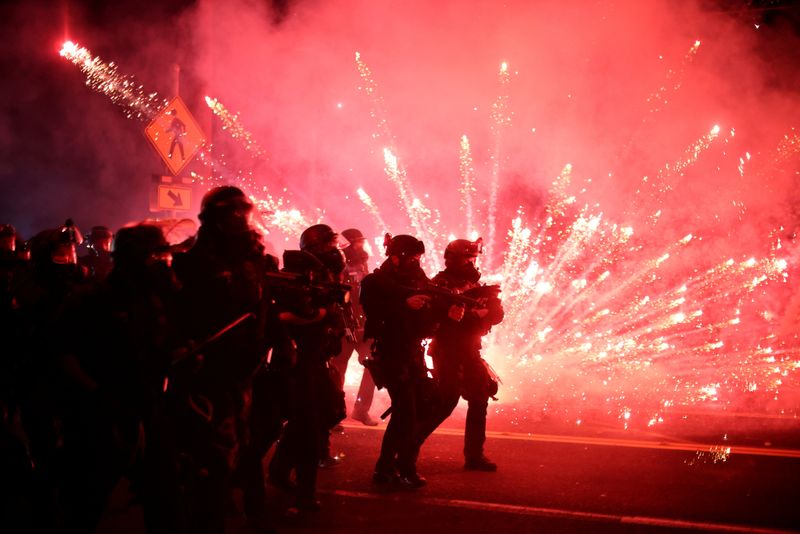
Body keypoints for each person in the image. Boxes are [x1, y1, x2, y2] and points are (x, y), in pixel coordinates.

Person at [172, 186, 273, 532]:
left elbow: (263, 311)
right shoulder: (191, 261)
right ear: (213, 219)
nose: (241, 222)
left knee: (248, 445)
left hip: (246, 368)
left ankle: (255, 515)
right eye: (232, 215)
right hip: (207, 371)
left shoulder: (255, 258)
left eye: (243, 214)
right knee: (212, 456)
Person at [360, 234, 464, 489]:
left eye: (419, 257)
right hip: (391, 353)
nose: (416, 262)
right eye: (412, 257)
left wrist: (448, 314)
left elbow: (430, 306)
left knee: (417, 409)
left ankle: (392, 467)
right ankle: (395, 468)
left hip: (412, 353)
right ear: (395, 257)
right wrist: (403, 305)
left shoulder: (415, 279)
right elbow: (374, 312)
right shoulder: (376, 281)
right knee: (406, 413)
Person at [268, 224, 348, 512]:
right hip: (297, 362)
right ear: (314, 249)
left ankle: (280, 468)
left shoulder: (323, 278)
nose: (334, 250)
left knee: (330, 413)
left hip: (317, 360)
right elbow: (285, 317)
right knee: (309, 426)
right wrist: (321, 315)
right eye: (328, 245)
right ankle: (304, 491)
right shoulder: (292, 280)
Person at [420, 238, 504, 471]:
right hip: (447, 349)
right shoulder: (440, 284)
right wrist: (471, 315)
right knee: (446, 402)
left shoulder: (476, 285)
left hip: (469, 349)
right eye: (467, 258)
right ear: (454, 259)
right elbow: (435, 318)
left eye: (473, 259)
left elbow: (497, 315)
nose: (472, 263)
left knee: (480, 398)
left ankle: (474, 455)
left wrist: (485, 311)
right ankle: (406, 447)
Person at [332, 228, 379, 426]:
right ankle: (334, 414)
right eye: (358, 243)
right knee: (337, 369)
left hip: (364, 325)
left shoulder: (363, 264)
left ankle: (361, 410)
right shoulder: (338, 266)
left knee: (373, 365)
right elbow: (340, 297)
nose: (362, 246)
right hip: (345, 325)